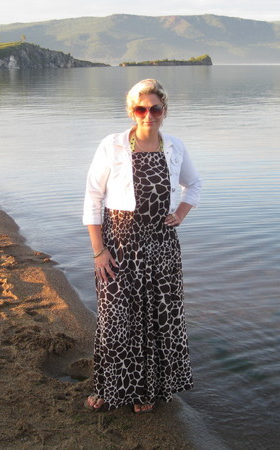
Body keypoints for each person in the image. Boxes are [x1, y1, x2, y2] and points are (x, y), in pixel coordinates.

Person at [82, 79, 202, 413]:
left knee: (159, 318)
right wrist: (98, 250)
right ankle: (108, 387)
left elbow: (193, 184)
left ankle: (146, 390)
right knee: (116, 317)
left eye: (155, 108)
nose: (148, 115)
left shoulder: (174, 147)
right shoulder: (112, 145)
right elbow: (93, 197)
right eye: (141, 108)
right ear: (131, 111)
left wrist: (180, 214)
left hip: (162, 246)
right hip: (119, 244)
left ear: (164, 111)